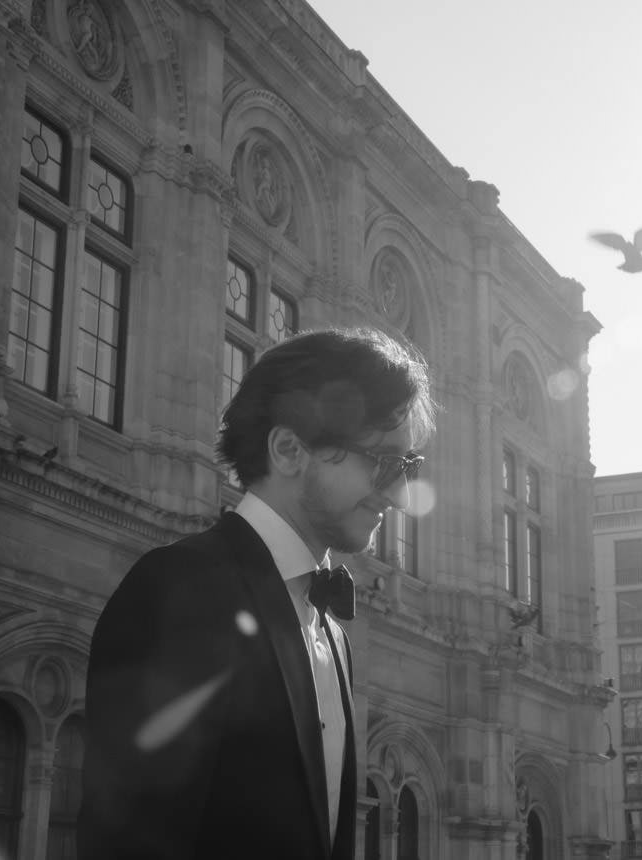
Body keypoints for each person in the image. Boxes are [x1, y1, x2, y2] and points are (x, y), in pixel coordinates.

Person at [79, 328, 435, 860]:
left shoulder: (333, 635)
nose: (402, 496)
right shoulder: (178, 590)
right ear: (289, 449)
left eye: (408, 467)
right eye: (382, 462)